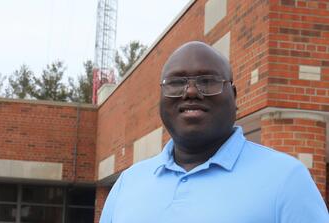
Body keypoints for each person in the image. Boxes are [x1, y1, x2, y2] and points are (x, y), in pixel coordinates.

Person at [99, 41, 329, 223]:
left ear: (234, 97)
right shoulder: (128, 183)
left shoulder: (286, 179)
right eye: (176, 83)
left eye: (207, 81)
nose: (190, 91)